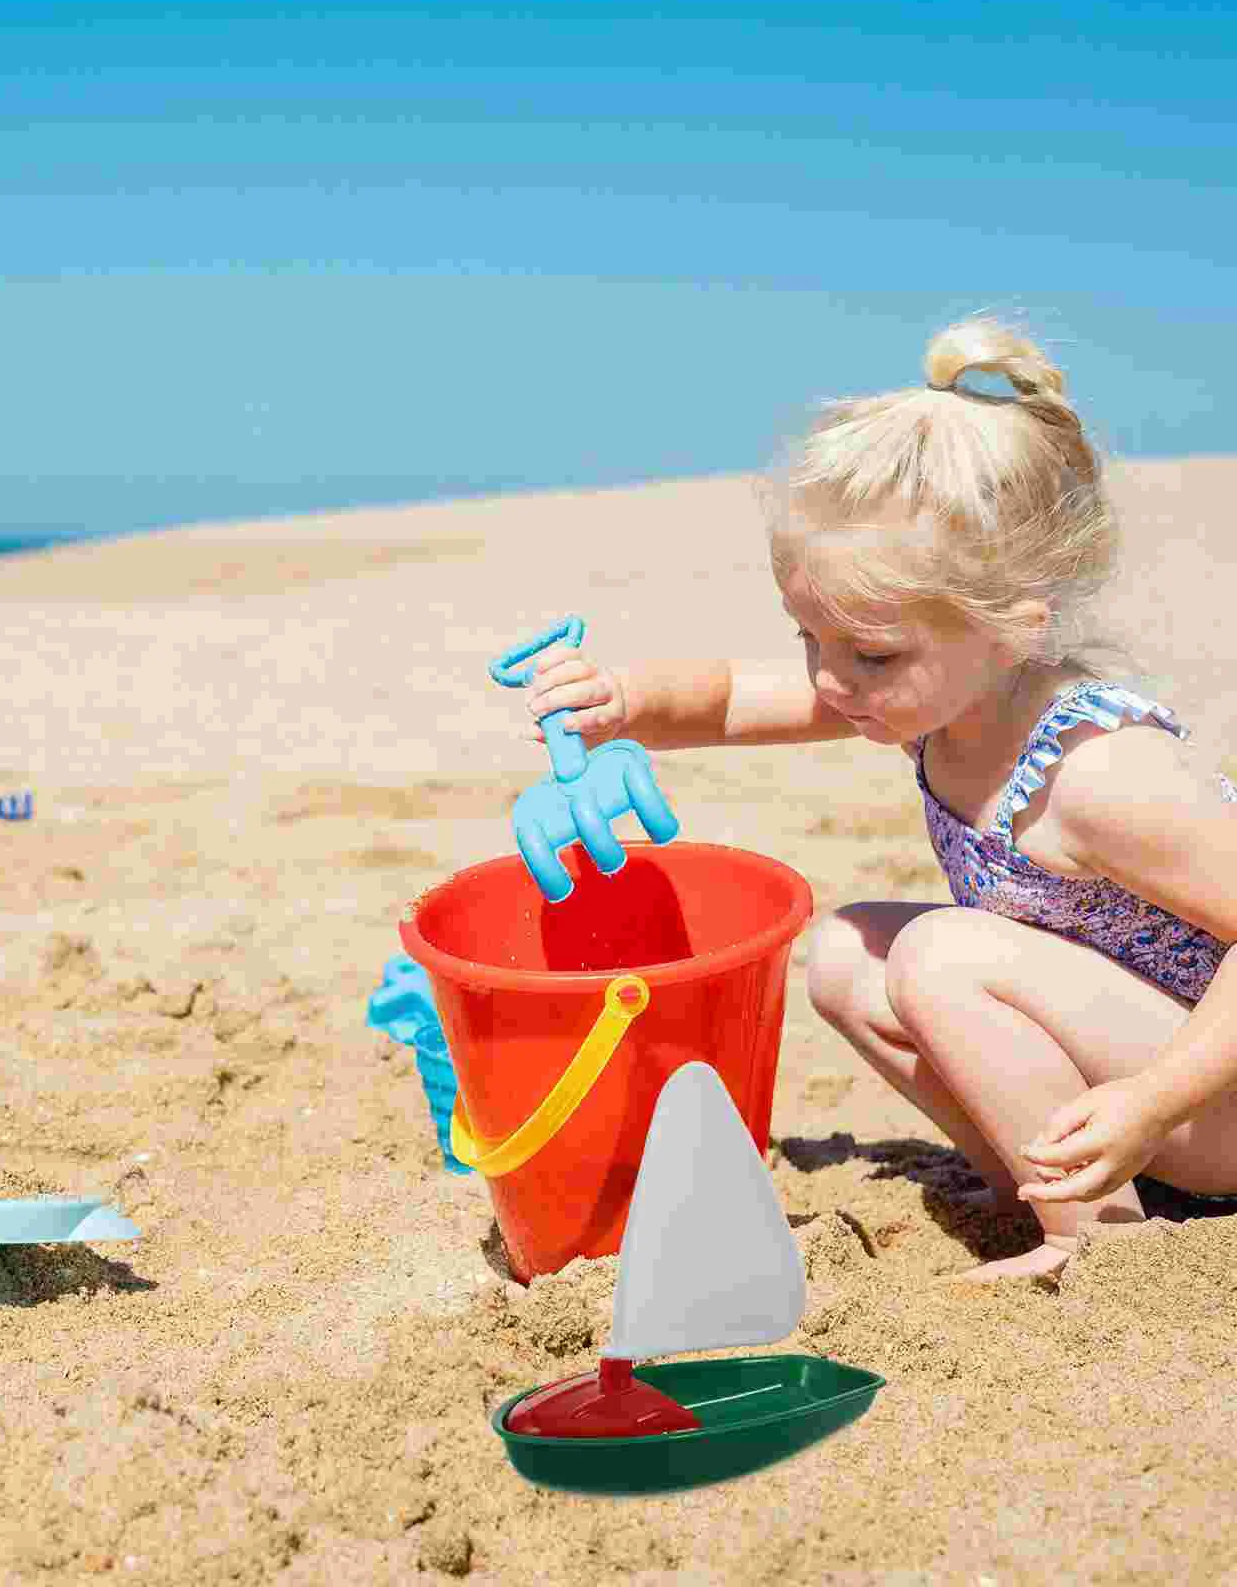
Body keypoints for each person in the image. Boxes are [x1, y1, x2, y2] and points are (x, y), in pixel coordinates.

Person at [520, 315, 1237, 1283]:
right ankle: (1040, 1182)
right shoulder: (931, 698)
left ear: (1012, 630)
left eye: (869, 652)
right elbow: (734, 699)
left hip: (1203, 1089)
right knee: (846, 959)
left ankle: (1096, 1241)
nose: (829, 679)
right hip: (1148, 1083)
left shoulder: (1097, 771)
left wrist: (1151, 1101)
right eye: (809, 637)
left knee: (940, 955)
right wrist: (626, 701)